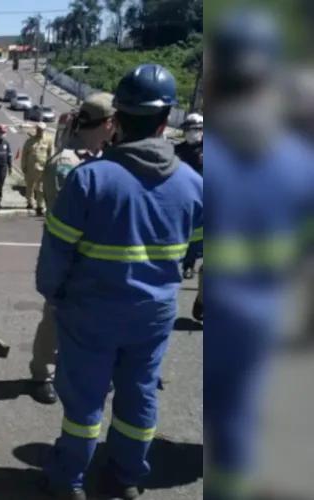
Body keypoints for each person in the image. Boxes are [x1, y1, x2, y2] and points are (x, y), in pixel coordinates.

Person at [37, 63, 203, 500]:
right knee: (140, 394)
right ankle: (127, 477)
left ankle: (69, 477)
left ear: (119, 120)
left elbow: (56, 252)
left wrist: (53, 295)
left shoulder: (89, 179)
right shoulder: (193, 184)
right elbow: (200, 247)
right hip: (154, 315)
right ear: (167, 119)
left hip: (90, 312)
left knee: (85, 400)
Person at [203, 10, 314, 500]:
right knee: (240, 416)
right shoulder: (298, 162)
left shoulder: (210, 156)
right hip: (266, 313)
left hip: (216, 308)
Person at [29, 94, 117, 406]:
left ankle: (84, 372)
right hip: (68, 257)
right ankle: (43, 374)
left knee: (95, 320)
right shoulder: (66, 163)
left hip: (99, 258)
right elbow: (64, 216)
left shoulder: (108, 158)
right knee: (56, 317)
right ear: (107, 123)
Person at [176, 113, 204, 280]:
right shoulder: (178, 150)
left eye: (193, 130)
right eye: (187, 130)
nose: (190, 133)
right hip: (183, 196)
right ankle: (185, 263)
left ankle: (192, 265)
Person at [22, 122, 54, 215]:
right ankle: (30, 202)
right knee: (29, 186)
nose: (40, 132)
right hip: (30, 167)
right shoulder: (30, 141)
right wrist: (23, 165)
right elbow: (24, 154)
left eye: (41, 130)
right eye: (38, 130)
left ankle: (40, 205)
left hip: (42, 168)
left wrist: (50, 166)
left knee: (40, 188)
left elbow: (51, 154)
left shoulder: (48, 140)